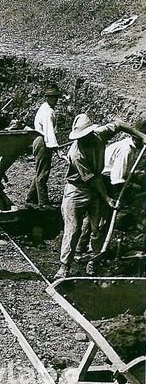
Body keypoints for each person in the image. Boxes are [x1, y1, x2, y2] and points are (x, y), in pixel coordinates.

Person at [54, 115, 146, 279]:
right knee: (73, 228)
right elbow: (93, 179)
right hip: (77, 190)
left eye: (86, 135)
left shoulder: (99, 134)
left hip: (96, 188)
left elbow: (119, 124)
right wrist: (108, 198)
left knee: (98, 227)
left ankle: (93, 262)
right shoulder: (76, 154)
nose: (84, 139)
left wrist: (141, 135)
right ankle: (64, 267)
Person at [26, 85, 61, 209]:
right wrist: (57, 149)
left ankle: (31, 197)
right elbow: (49, 131)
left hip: (41, 139)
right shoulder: (47, 112)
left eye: (56, 97)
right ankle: (43, 202)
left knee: (40, 171)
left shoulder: (46, 108)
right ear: (46, 98)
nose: (55, 100)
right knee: (43, 173)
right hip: (43, 141)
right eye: (52, 97)